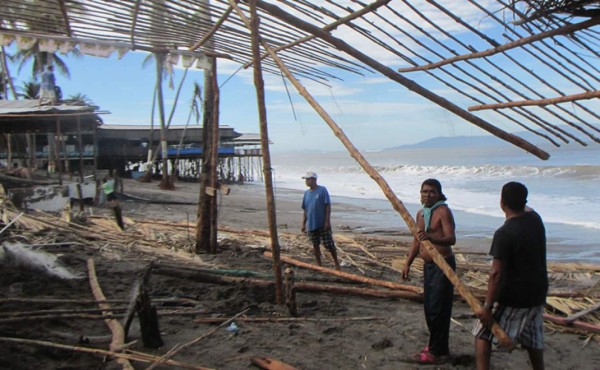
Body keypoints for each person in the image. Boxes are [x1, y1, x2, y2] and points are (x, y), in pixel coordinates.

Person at [472, 182, 547, 370]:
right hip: (538, 291)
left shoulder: (504, 234)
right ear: (524, 201)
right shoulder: (535, 220)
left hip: (515, 296)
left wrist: (487, 307)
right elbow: (527, 208)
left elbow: (496, 274)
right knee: (533, 337)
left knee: (482, 332)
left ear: (502, 202)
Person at [402, 178, 456, 364]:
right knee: (429, 308)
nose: (428, 195)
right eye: (424, 191)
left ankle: (437, 351)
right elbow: (417, 240)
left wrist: (431, 237)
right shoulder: (421, 214)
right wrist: (408, 262)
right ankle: (437, 347)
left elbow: (451, 239)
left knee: (439, 309)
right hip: (429, 266)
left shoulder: (443, 211)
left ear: (439, 194)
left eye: (432, 192)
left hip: (443, 265)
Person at [301, 171, 341, 270]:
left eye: (308, 179)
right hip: (311, 224)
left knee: (329, 244)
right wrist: (303, 223)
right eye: (306, 179)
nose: (306, 181)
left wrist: (327, 221)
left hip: (322, 223)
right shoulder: (306, 193)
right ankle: (319, 264)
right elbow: (305, 209)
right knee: (315, 245)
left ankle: (337, 263)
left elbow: (327, 206)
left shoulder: (322, 190)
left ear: (313, 179)